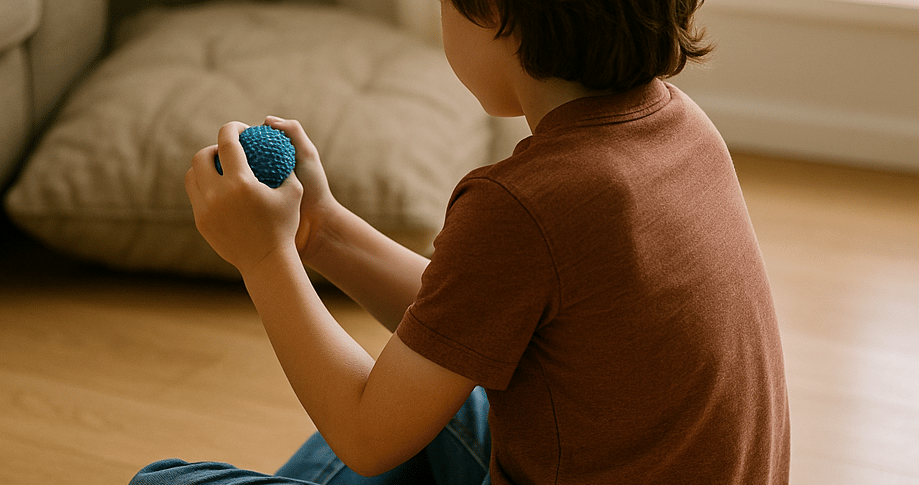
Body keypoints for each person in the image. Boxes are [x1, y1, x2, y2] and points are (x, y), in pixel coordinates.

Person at [132, 0, 791, 483]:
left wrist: (264, 257)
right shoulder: (683, 127)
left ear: (495, 13)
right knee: (438, 386)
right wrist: (321, 229)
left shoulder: (526, 203)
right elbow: (469, 318)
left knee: (160, 482)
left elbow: (366, 436)